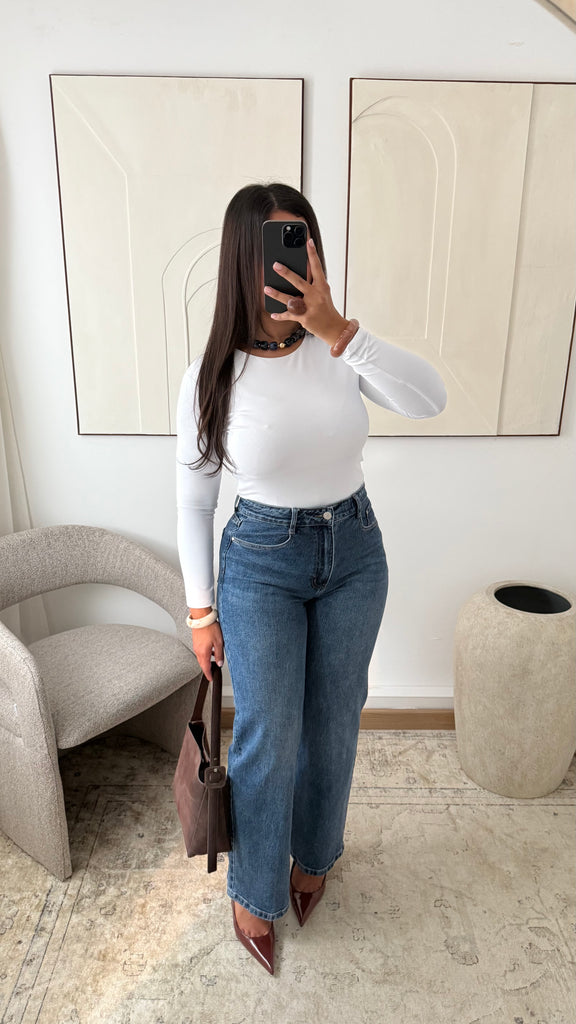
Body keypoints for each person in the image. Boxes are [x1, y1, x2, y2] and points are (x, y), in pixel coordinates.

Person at [176, 182, 447, 975]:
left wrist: (339, 330)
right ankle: (254, 892)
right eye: (277, 249)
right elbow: (194, 500)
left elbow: (430, 400)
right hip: (261, 562)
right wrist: (200, 613)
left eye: (304, 244)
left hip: (355, 552)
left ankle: (314, 857)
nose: (295, 264)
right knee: (269, 733)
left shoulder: (342, 352)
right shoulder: (211, 374)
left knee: (334, 722)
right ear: (245, 261)